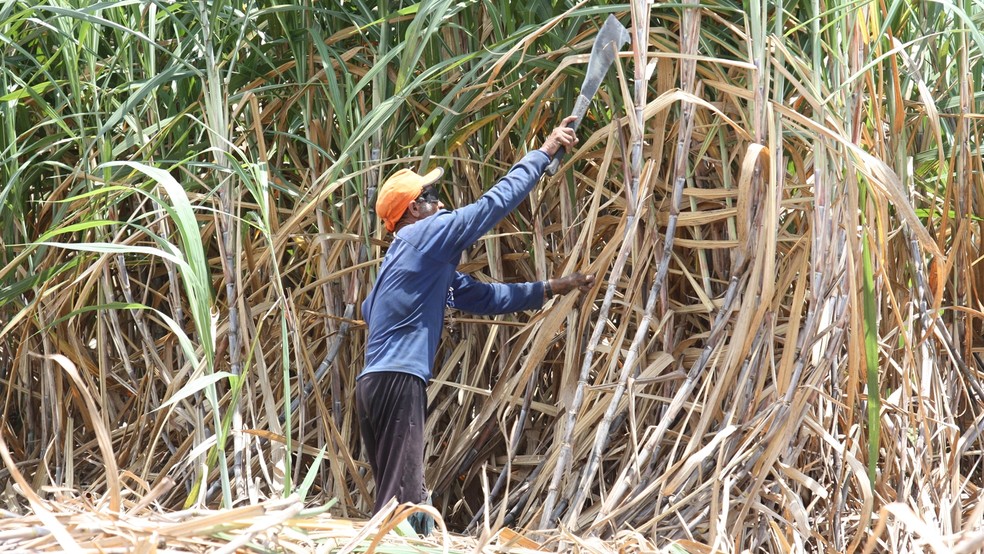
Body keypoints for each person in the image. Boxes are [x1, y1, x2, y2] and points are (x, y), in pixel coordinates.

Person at [356, 116, 594, 534]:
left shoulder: (408, 261)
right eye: (433, 195)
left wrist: (552, 287)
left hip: (371, 385)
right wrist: (544, 152)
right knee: (405, 500)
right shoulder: (427, 235)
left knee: (396, 493)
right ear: (415, 209)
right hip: (398, 380)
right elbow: (492, 206)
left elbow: (484, 298)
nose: (442, 202)